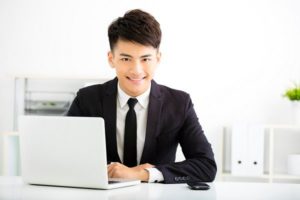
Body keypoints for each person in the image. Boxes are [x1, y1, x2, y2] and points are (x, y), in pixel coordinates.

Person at [67, 9, 217, 184]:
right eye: (126, 59)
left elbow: (206, 166)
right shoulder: (87, 99)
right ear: (111, 58)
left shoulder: (179, 103)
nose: (136, 70)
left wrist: (143, 174)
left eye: (145, 59)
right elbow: (64, 155)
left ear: (157, 59)